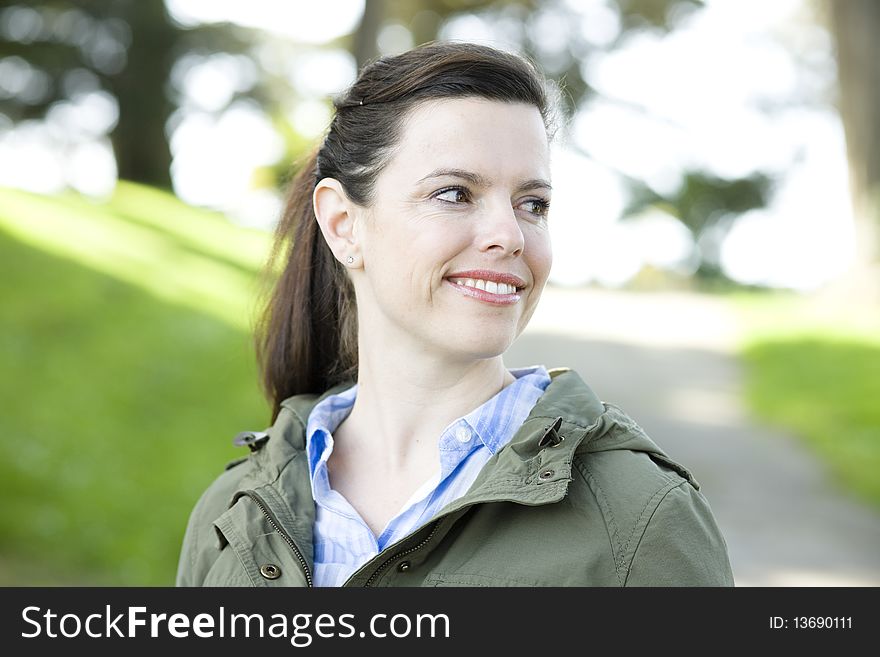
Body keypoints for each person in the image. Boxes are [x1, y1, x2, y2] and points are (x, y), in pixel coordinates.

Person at [176, 41, 734, 587]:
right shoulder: (234, 514)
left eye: (532, 204)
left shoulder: (642, 518)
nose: (510, 236)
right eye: (455, 194)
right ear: (344, 224)